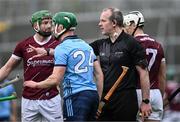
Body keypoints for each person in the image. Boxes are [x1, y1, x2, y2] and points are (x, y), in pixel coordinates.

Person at [24, 12, 104, 121]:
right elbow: (99, 75)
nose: (52, 29)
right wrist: (98, 99)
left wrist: (36, 85)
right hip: (92, 96)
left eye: (54, 25)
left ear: (61, 27)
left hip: (75, 97)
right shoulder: (86, 46)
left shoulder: (62, 48)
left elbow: (55, 79)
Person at [89, 7, 152, 121]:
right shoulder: (101, 44)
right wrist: (52, 51)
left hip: (125, 101)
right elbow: (79, 50)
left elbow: (144, 73)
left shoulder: (132, 43)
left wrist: (145, 101)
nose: (99, 24)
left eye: (103, 21)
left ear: (114, 23)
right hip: (104, 102)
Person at [0, 10, 63, 122]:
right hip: (29, 100)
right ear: (35, 25)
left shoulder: (58, 44)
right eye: (45, 23)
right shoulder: (23, 45)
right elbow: (7, 68)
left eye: (50, 22)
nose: (49, 26)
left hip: (51, 99)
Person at [123, 11, 166, 122]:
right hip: (156, 93)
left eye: (126, 25)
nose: (124, 29)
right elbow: (162, 76)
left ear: (133, 24)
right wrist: (160, 97)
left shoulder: (129, 44)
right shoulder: (158, 45)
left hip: (136, 93)